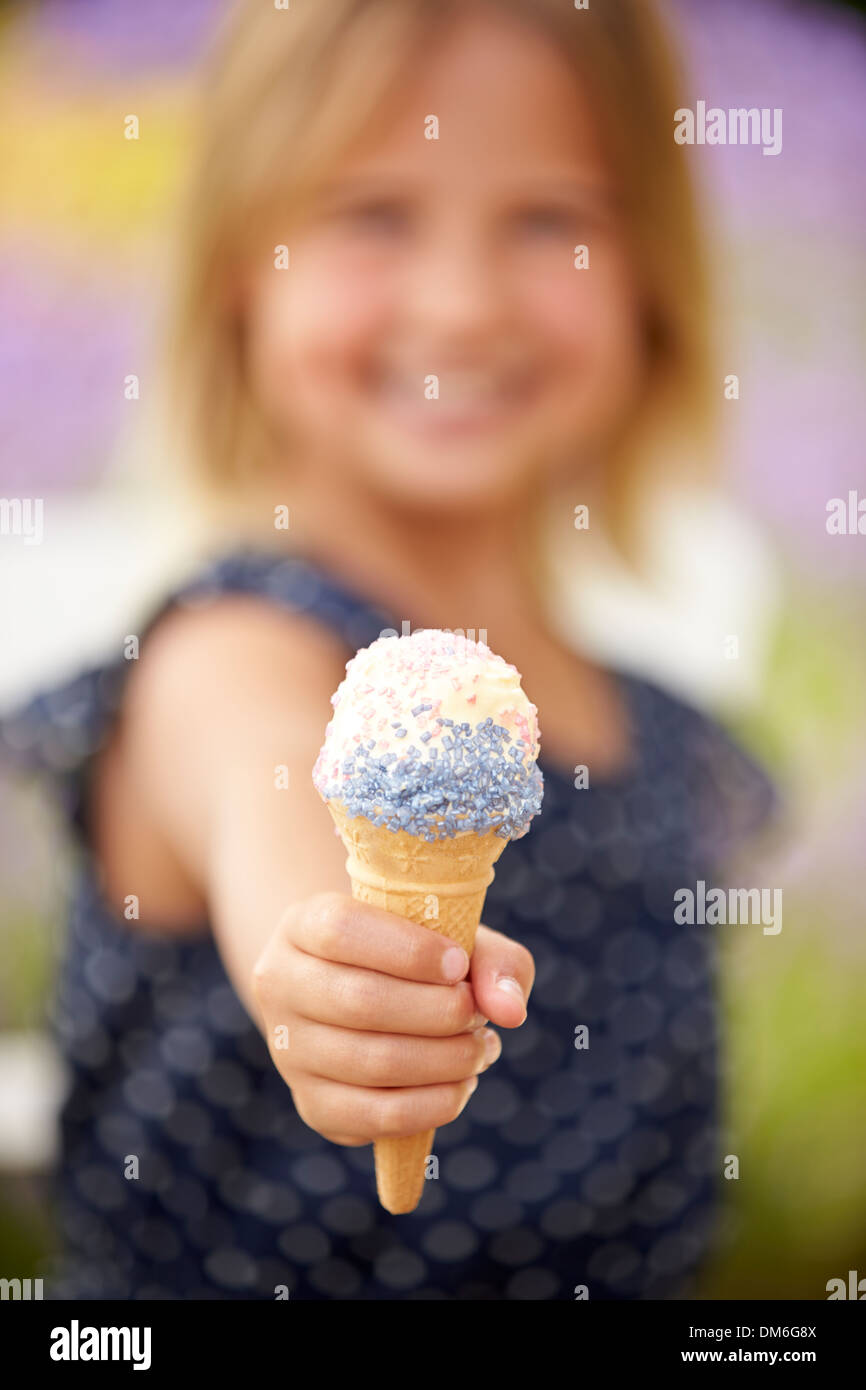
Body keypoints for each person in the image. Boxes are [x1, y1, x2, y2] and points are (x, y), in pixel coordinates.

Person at [0, 0, 776, 1299]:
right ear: (244, 265)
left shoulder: (652, 723)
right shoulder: (232, 650)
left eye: (550, 220)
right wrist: (328, 971)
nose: (460, 304)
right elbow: (268, 796)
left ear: (648, 266)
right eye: (371, 214)